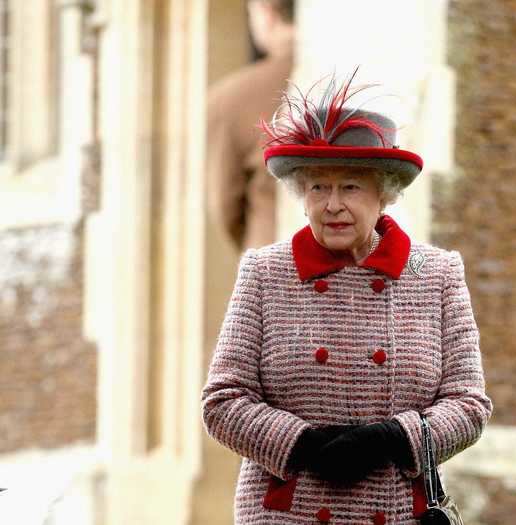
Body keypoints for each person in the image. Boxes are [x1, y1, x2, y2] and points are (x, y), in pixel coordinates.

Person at [201, 70, 493, 524]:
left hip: (395, 513)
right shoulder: (265, 272)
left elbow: (469, 405)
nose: (333, 204)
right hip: (287, 514)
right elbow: (223, 401)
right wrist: (302, 444)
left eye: (350, 187)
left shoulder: (436, 274)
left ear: (384, 195)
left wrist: (395, 438)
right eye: (319, 187)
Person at [207, 0, 295, 251]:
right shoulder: (359, 77)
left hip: (272, 268)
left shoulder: (231, 97)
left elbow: (226, 207)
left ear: (266, 11)